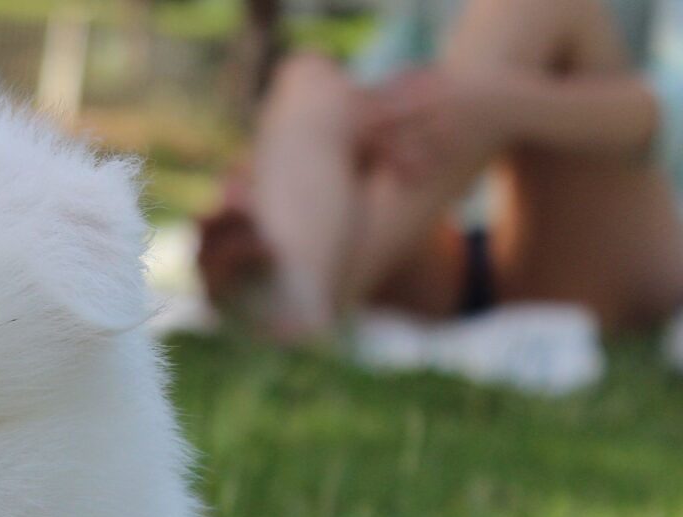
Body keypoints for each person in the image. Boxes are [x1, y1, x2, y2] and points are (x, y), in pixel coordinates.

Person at [198, 0, 683, 348]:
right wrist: (294, 164)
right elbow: (385, 94)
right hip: (467, 253)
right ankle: (294, 283)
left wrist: (508, 105)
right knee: (309, 80)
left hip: (624, 250)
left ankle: (290, 299)